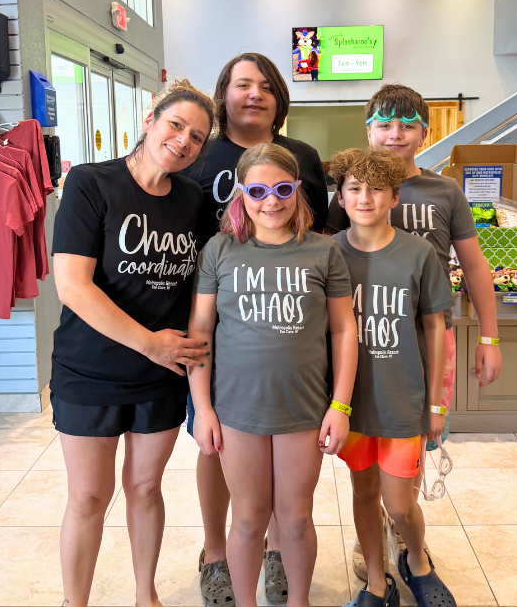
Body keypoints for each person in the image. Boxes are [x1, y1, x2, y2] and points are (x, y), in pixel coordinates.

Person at [50, 81, 214, 607]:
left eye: (197, 137)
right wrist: (150, 343)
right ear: (150, 120)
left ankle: (147, 594)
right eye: (176, 125)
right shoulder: (91, 183)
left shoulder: (193, 200)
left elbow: (203, 282)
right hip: (90, 369)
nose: (184, 140)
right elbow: (73, 286)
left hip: (160, 375)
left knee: (145, 488)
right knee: (89, 497)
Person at [326, 84, 500, 575]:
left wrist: (489, 336)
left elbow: (476, 267)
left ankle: (405, 531)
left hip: (428, 339)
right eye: (384, 123)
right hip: (361, 340)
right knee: (366, 453)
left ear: (426, 131)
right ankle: (374, 538)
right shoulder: (350, 188)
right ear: (368, 129)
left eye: (407, 125)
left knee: (410, 449)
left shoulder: (445, 192)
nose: (395, 134)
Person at [179, 53, 329, 605]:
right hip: (221, 330)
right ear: (224, 94)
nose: (255, 94)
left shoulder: (306, 158)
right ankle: (217, 554)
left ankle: (277, 553)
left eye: (267, 86)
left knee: (289, 506)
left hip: (289, 339)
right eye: (243, 85)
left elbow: (325, 239)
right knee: (214, 444)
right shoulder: (201, 154)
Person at [187, 143, 358, 607]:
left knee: (296, 517)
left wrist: (340, 405)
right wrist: (202, 408)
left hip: (303, 409)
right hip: (238, 411)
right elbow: (200, 332)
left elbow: (345, 331)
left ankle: (297, 602)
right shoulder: (220, 250)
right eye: (258, 190)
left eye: (283, 188)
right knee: (247, 517)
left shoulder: (323, 251)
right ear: (241, 193)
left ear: (298, 191)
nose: (272, 200)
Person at [328, 146, 457, 607]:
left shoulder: (418, 253)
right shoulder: (328, 253)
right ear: (340, 198)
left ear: (394, 197)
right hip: (352, 404)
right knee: (363, 493)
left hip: (404, 401)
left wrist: (437, 403)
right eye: (354, 189)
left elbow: (435, 326)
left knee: (400, 504)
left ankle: (417, 560)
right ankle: (377, 584)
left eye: (376, 189)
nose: (365, 198)